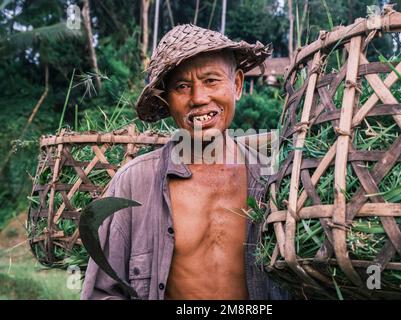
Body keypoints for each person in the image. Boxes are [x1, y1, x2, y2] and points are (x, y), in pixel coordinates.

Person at [81, 24, 289, 300]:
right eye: (182, 86)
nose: (199, 98)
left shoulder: (274, 180)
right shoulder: (134, 182)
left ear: (237, 85)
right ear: (167, 101)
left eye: (211, 80)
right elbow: (102, 292)